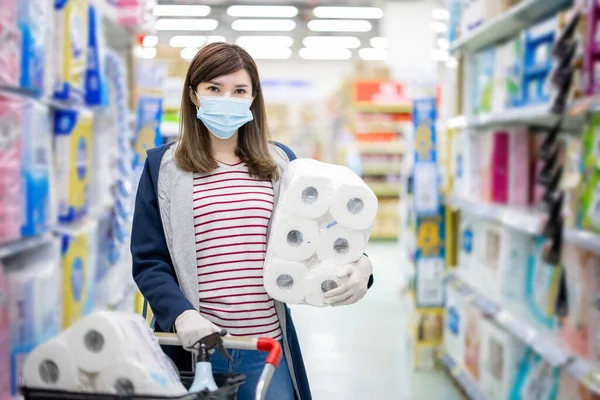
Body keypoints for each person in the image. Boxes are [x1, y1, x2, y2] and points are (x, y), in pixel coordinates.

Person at [131, 43, 375, 400]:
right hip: (196, 352)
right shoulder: (164, 169)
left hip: (267, 349)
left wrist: (363, 264)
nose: (226, 99)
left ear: (252, 98)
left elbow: (323, 236)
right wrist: (181, 315)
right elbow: (149, 261)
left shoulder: (280, 164)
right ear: (194, 95)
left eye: (239, 90)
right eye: (214, 88)